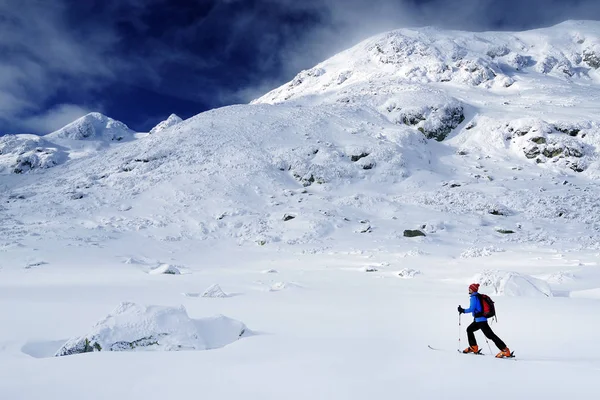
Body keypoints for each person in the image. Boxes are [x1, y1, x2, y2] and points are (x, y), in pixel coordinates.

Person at [458, 283, 512, 358]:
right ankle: (474, 347)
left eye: (470, 288)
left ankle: (505, 350)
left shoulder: (474, 298)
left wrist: (462, 310)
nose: (468, 290)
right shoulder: (477, 296)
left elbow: (472, 309)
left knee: (491, 336)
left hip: (481, 321)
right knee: (469, 329)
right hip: (478, 320)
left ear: (473, 290)